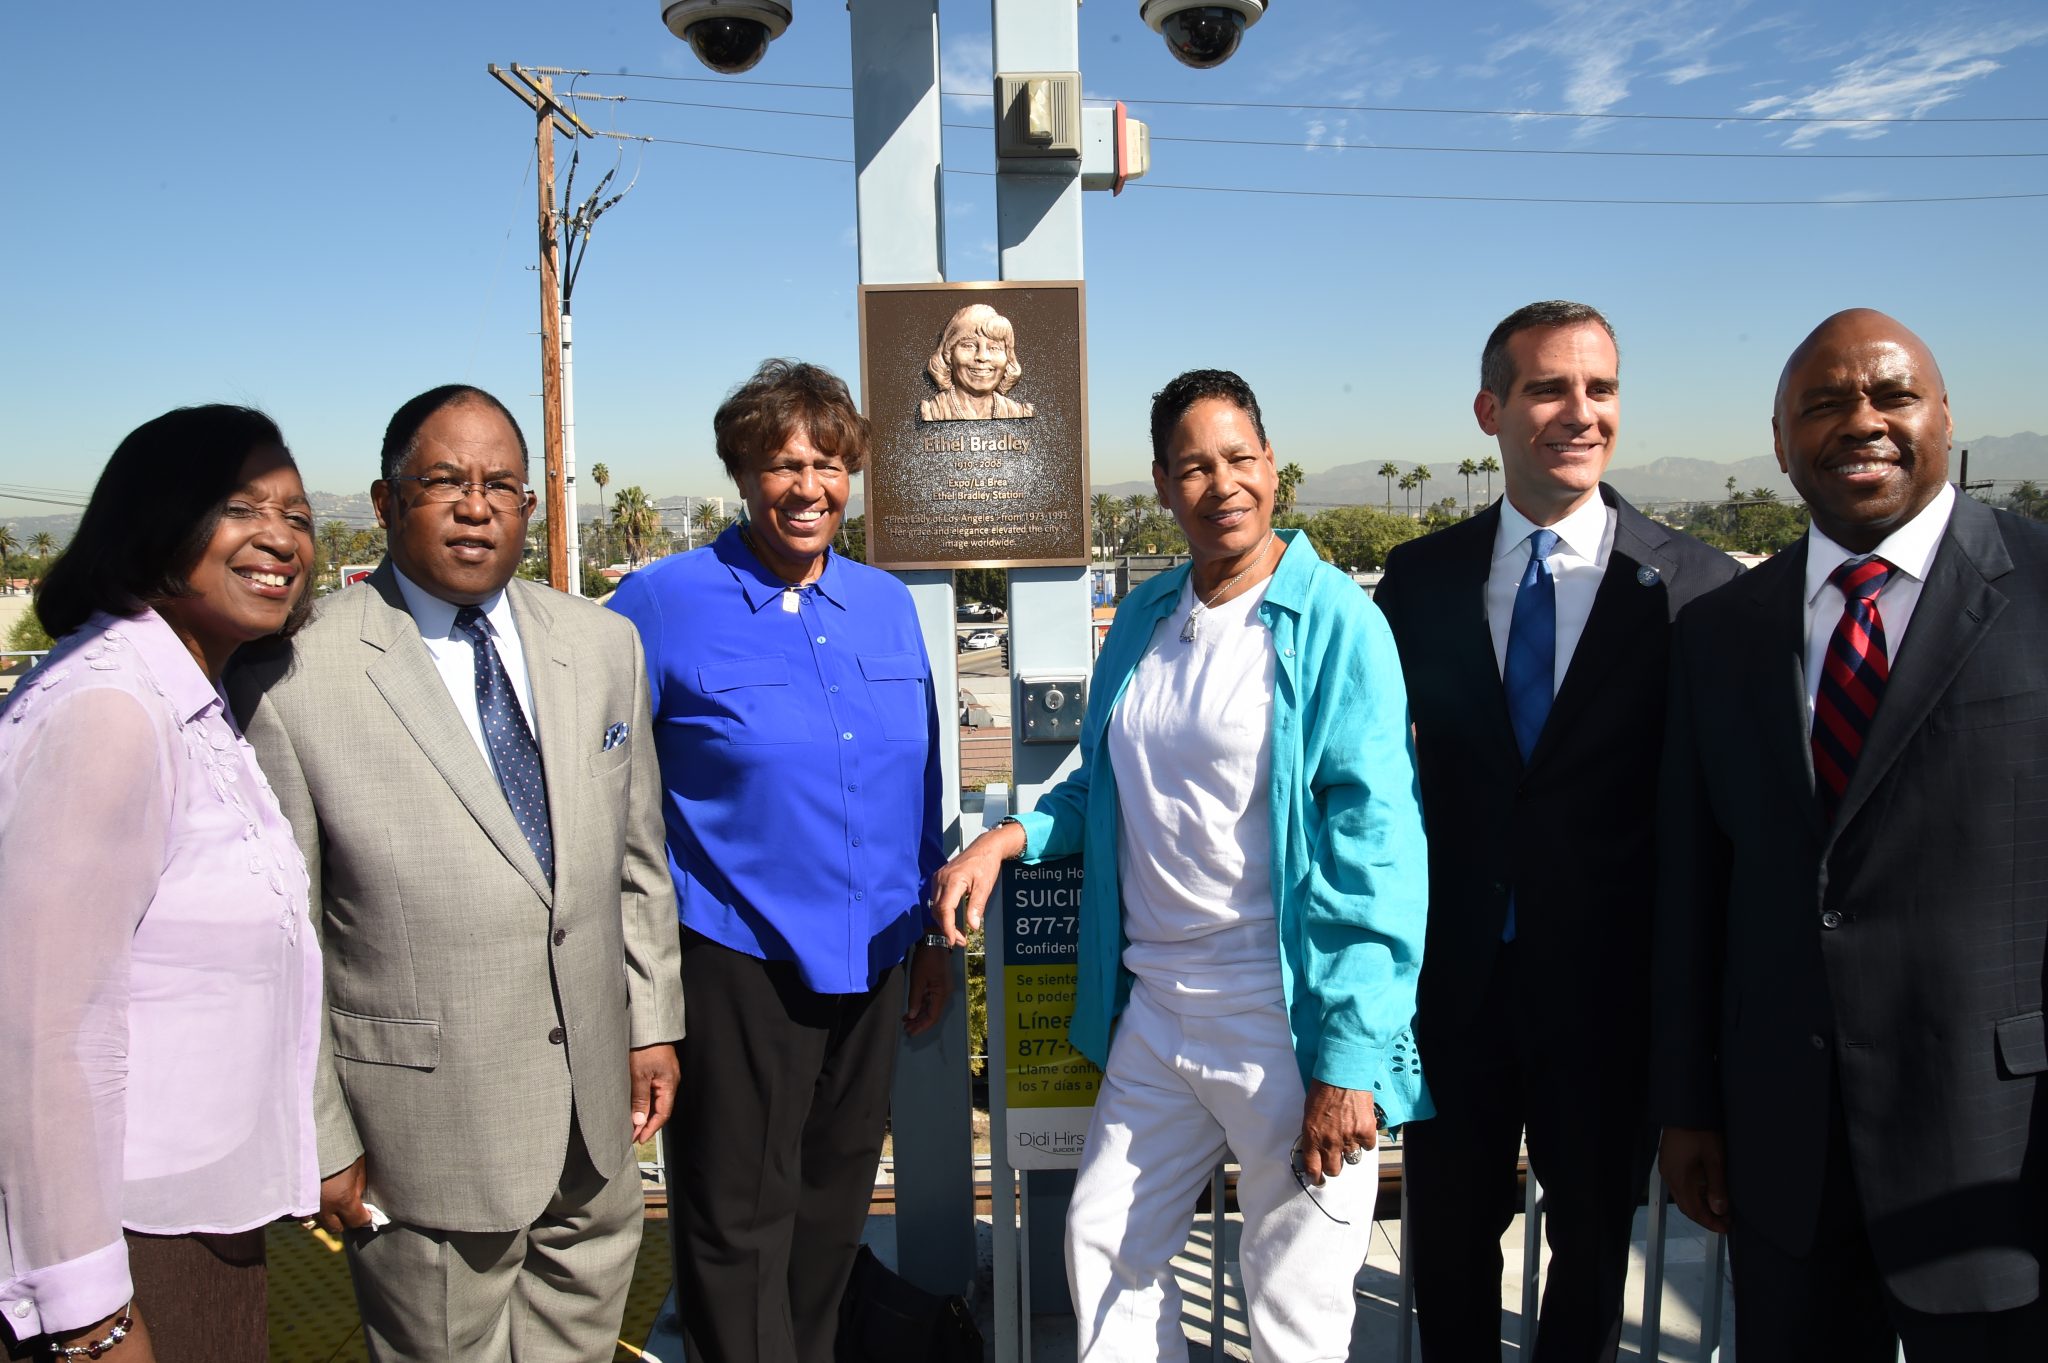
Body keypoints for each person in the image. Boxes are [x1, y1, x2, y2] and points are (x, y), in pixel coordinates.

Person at [930, 368, 1428, 1362]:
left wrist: (1348, 1057)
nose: (1221, 483)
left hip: (1280, 1019)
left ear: (1272, 468)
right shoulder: (1149, 617)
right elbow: (1100, 788)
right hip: (1156, 1008)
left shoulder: (1334, 622)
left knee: (1290, 1303)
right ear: (1162, 484)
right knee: (1106, 1245)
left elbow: (1374, 847)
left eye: (1238, 458)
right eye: (1194, 466)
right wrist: (1012, 833)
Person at [228, 385, 684, 1363]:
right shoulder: (293, 674)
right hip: (422, 1142)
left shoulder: (602, 645)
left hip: (595, 1126)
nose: (476, 505)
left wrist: (651, 1022)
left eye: (500, 484)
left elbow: (637, 860)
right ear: (387, 503)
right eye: (443, 481)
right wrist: (320, 1134)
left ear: (528, 503)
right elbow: (283, 942)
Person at [1652, 309, 2046, 1360]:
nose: (1858, 422)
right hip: (1783, 1151)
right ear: (1780, 443)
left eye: (1888, 395)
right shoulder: (1722, 631)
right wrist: (1688, 1104)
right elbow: (1697, 884)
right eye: (1821, 405)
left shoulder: (2040, 593)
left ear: (1943, 418)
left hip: (1999, 1147)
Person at [1373, 300, 1739, 1362]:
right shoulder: (1421, 579)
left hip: (1610, 993)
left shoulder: (1692, 587)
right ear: (1490, 409)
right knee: (1443, 1245)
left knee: (1588, 1252)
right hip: (1452, 988)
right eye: (1547, 388)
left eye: (1600, 388)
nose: (1579, 412)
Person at [608, 358, 951, 1363]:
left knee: (830, 1216)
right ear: (742, 473)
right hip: (733, 957)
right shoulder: (657, 605)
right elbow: (609, 799)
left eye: (828, 463)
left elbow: (920, 780)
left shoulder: (886, 606)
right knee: (733, 1226)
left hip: (881, 955)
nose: (807, 486)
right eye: (781, 464)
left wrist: (930, 936)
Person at [0, 405, 320, 1362]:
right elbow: (44, 1035)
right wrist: (92, 1317)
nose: (280, 537)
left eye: (299, 515)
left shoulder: (186, 704)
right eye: (239, 506)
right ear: (154, 522)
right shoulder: (109, 713)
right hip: (126, 1259)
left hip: (195, 1226)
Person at [918, 302, 1034, 421]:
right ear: (949, 355)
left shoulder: (1021, 413)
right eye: (969, 346)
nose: (982, 357)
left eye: (994, 348)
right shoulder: (931, 412)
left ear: (1008, 358)